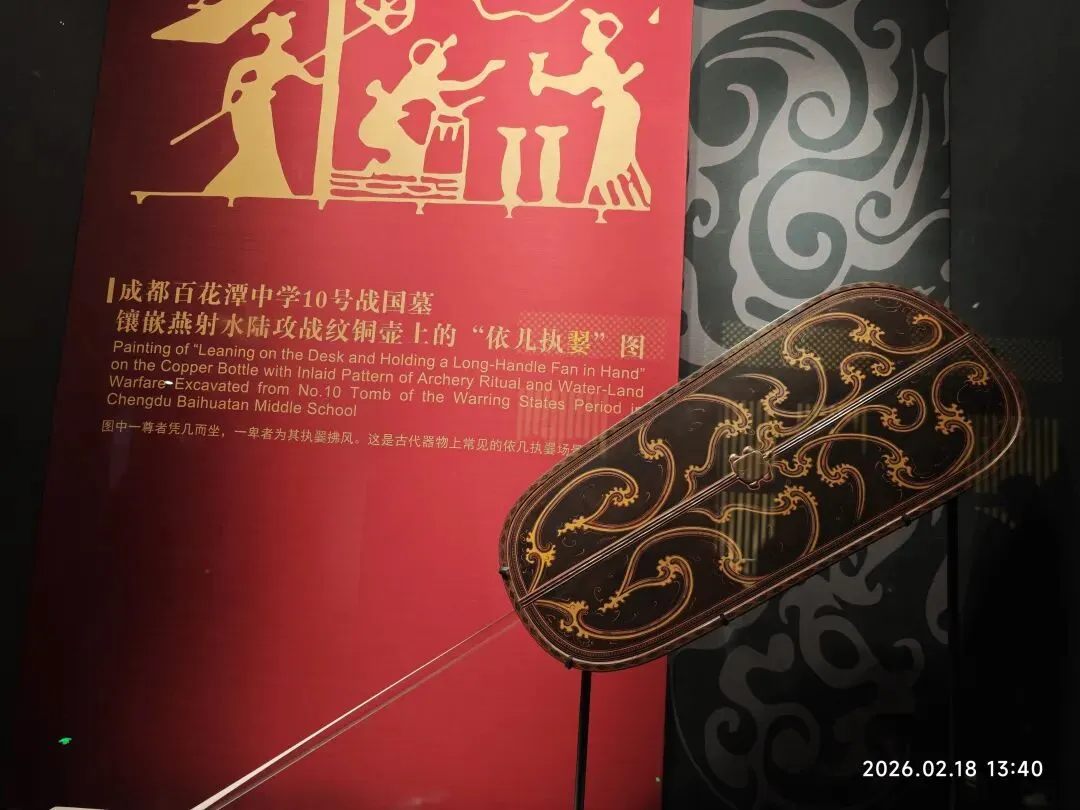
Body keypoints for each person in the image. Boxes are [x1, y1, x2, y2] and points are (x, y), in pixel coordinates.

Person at [204, 11, 321, 199]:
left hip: (259, 108)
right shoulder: (249, 64)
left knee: (261, 146)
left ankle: (229, 187)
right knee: (252, 147)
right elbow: (232, 87)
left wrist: (331, 74)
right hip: (245, 109)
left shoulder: (286, 61)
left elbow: (314, 80)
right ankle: (222, 187)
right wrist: (229, 104)